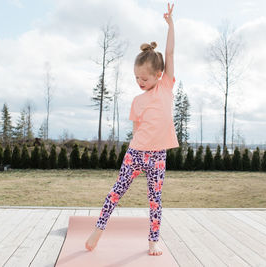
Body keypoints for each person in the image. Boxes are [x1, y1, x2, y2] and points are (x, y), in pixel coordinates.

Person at [85, 2, 178, 256]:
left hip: (158, 156)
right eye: (136, 78)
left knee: (155, 200)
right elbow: (137, 130)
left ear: (159, 75)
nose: (140, 82)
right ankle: (98, 229)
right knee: (116, 192)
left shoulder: (166, 86)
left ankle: (153, 242)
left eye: (144, 79)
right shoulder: (137, 101)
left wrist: (170, 26)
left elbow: (169, 55)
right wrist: (136, 154)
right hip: (136, 154)